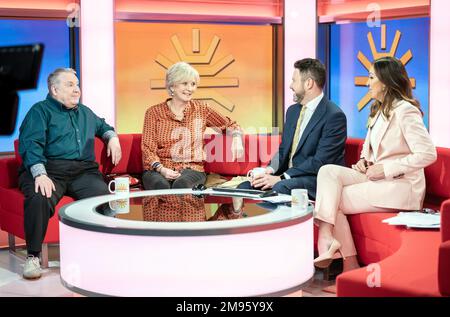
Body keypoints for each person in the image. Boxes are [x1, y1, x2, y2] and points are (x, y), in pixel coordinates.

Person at [313, 56, 437, 273]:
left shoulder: (406, 110)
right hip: (377, 176)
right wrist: (363, 161)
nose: (367, 83)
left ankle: (348, 264)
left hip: (401, 186)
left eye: (371, 78)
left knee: (336, 199)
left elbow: (427, 153)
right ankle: (326, 237)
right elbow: (369, 150)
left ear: (387, 81)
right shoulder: (378, 110)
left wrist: (387, 168)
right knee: (328, 172)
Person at [18, 68, 122, 280]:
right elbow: (31, 144)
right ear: (55, 89)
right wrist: (40, 174)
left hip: (83, 172)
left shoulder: (85, 112)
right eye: (70, 85)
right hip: (50, 170)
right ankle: (33, 256)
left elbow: (104, 126)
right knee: (40, 196)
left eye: (77, 85)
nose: (77, 90)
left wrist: (113, 138)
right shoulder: (40, 111)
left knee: (102, 197)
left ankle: (103, 251)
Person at [238, 58, 347, 197]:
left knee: (280, 187)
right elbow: (284, 150)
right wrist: (269, 170)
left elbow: (320, 161)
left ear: (308, 83)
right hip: (287, 177)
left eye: (294, 80)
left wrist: (282, 177)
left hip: (315, 179)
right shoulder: (292, 111)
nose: (290, 85)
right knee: (246, 186)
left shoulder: (334, 116)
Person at [141, 61, 243, 190]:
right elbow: (148, 148)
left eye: (193, 84)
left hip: (192, 169)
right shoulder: (153, 112)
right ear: (172, 86)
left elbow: (231, 124)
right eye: (185, 83)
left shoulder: (202, 109)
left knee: (181, 185)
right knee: (160, 186)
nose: (190, 89)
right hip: (158, 169)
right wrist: (161, 169)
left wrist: (237, 139)